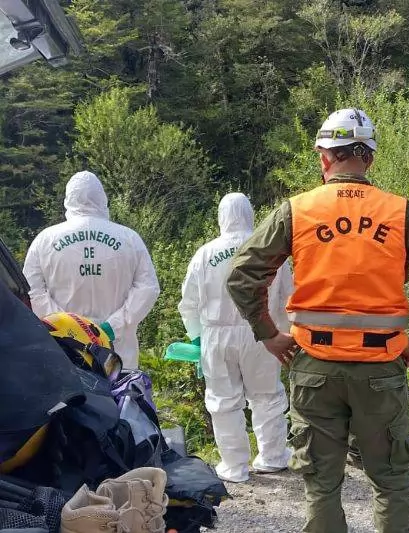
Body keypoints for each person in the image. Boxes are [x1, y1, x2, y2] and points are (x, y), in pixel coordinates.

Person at [227, 108, 409, 533]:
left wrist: (268, 334)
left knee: (321, 484)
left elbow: (242, 276)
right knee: (391, 480)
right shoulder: (399, 212)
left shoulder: (297, 210)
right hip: (381, 368)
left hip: (313, 363)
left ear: (324, 158)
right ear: (369, 159)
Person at [178, 192, 292, 483]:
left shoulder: (205, 254)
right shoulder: (269, 250)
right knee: (266, 395)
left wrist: (196, 338)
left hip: (216, 334)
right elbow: (287, 298)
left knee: (222, 401)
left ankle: (234, 466)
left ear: (221, 216)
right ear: (251, 215)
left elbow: (188, 302)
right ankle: (272, 457)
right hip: (262, 332)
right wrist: (282, 333)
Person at [23, 171, 160, 369]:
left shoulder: (45, 240)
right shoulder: (129, 239)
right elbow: (148, 288)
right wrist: (113, 326)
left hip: (65, 348)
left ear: (68, 198)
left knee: (73, 398)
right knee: (119, 396)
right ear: (102, 198)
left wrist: (67, 326)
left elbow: (31, 291)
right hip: (117, 350)